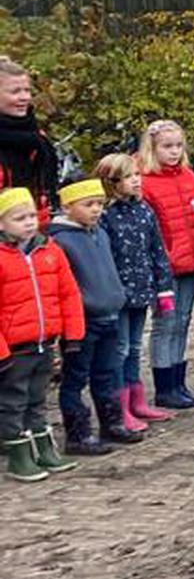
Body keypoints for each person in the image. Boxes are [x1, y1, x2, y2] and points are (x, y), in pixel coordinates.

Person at [0, 186, 85, 482]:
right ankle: (18, 455)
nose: (28, 222)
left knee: (37, 397)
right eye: (18, 218)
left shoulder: (50, 250)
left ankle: (44, 447)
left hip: (44, 341)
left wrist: (72, 335)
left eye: (31, 216)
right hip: (14, 347)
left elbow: (69, 294)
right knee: (13, 401)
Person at [51, 178, 138, 445]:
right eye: (88, 204)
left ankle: (111, 423)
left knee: (108, 372)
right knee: (76, 377)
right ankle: (78, 432)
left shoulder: (100, 232)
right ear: (68, 206)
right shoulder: (60, 241)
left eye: (99, 203)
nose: (96, 209)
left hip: (110, 315)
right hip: (83, 321)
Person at [97, 154, 176, 425]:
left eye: (137, 175)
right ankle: (121, 406)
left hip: (142, 291)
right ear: (112, 182)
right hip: (118, 294)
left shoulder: (144, 210)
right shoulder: (105, 216)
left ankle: (137, 400)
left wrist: (163, 288)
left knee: (133, 346)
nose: (136, 181)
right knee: (119, 348)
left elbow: (157, 250)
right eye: (129, 176)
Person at [139, 120, 194, 408]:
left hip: (189, 261)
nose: (174, 151)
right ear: (152, 148)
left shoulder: (188, 176)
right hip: (164, 267)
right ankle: (165, 386)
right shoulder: (145, 181)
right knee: (165, 324)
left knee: (183, 321)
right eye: (167, 146)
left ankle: (179, 381)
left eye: (178, 145)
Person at [0, 58, 58, 228]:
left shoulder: (38, 140)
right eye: (15, 91)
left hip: (36, 234)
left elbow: (46, 192)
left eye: (27, 90)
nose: (24, 97)